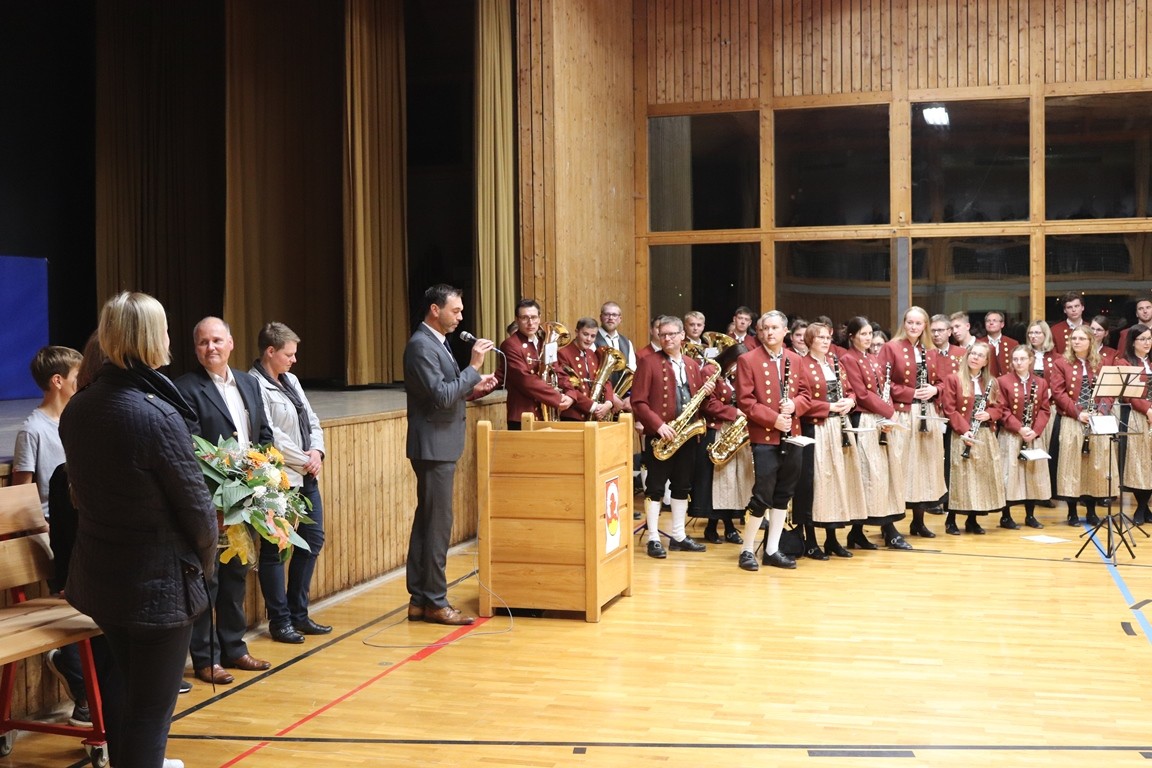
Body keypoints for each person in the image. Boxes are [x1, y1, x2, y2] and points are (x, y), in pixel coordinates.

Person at [60, 291, 217, 768]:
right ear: (150, 338)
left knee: (127, 706)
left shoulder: (79, 407)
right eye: (165, 329)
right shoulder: (156, 415)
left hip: (103, 579)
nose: (170, 337)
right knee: (150, 716)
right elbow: (198, 513)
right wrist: (205, 564)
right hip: (157, 587)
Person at [176, 317, 273, 685]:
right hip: (211, 504)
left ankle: (234, 647)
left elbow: (263, 434)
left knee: (235, 577)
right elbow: (192, 447)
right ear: (196, 348)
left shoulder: (249, 383)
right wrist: (219, 490)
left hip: (246, 499)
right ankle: (206, 659)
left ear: (231, 343)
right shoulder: (186, 388)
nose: (211, 347)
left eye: (217, 340)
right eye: (203, 342)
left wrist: (262, 475)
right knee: (208, 581)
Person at [403, 284, 497, 625]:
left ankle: (420, 600)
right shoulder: (421, 345)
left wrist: (472, 386)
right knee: (437, 526)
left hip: (440, 444)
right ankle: (435, 601)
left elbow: (444, 393)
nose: (460, 317)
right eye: (455, 311)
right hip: (433, 447)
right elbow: (441, 396)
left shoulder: (437, 342)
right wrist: (472, 368)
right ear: (435, 310)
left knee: (429, 522)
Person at [10, 345, 89, 725]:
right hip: (52, 531)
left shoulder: (77, 421)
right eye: (76, 377)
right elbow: (21, 493)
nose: (82, 382)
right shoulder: (33, 430)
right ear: (58, 381)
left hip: (79, 525)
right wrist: (46, 526)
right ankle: (79, 684)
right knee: (73, 604)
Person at [249, 322, 331, 644]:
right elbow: (272, 435)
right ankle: (280, 621)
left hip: (306, 473)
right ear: (270, 352)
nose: (294, 360)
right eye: (289, 354)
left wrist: (317, 452)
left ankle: (299, 614)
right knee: (275, 549)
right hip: (278, 478)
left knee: (313, 539)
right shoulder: (255, 384)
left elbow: (312, 421)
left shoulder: (292, 380)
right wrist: (304, 459)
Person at [631, 315, 723, 558]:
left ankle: (679, 536)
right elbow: (638, 401)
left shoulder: (692, 364)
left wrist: (706, 392)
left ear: (682, 335)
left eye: (672, 334)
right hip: (661, 436)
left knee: (682, 486)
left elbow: (697, 402)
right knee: (655, 488)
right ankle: (653, 538)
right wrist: (658, 425)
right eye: (663, 335)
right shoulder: (648, 362)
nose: (667, 339)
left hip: (687, 436)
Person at [734, 311, 805, 572]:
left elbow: (806, 393)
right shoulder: (747, 360)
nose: (769, 332)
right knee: (762, 494)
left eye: (775, 328)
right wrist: (774, 419)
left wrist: (794, 405)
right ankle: (747, 549)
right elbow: (746, 401)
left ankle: (772, 549)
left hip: (792, 436)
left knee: (784, 494)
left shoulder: (795, 359)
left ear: (785, 331)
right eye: (765, 328)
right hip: (765, 436)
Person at [790, 322, 867, 559]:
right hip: (817, 429)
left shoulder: (835, 362)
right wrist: (829, 407)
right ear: (809, 340)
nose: (825, 341)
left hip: (839, 428)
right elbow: (800, 401)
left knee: (837, 483)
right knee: (815, 484)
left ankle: (832, 539)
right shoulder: (801, 364)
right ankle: (811, 541)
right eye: (820, 337)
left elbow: (850, 390)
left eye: (827, 337)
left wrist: (850, 401)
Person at [840, 317, 910, 550]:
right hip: (865, 420)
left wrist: (888, 414)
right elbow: (861, 394)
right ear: (852, 336)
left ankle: (860, 533)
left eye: (870, 333)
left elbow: (883, 390)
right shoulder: (848, 359)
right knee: (870, 476)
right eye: (863, 334)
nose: (868, 338)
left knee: (885, 475)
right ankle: (882, 530)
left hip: (880, 419)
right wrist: (890, 412)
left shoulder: (871, 357)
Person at [880, 306, 947, 539]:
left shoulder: (931, 350)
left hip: (928, 414)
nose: (914, 327)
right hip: (903, 414)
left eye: (918, 323)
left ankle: (918, 522)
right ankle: (889, 524)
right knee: (900, 467)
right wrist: (911, 393)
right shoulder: (891, 347)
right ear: (904, 323)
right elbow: (884, 383)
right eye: (910, 322)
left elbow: (943, 382)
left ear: (925, 326)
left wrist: (934, 390)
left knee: (924, 468)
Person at [1049, 326, 1116, 526]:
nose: (1076, 342)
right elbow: (1058, 393)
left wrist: (1101, 411)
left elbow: (1109, 390)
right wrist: (1078, 413)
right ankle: (1072, 511)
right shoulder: (1061, 363)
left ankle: (1092, 510)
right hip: (1072, 419)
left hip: (1096, 420)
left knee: (1094, 466)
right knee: (1072, 465)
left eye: (1081, 338)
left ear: (1090, 341)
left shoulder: (1102, 363)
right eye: (1074, 338)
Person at [939, 343, 1005, 535]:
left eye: (980, 355)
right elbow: (949, 409)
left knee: (979, 477)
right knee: (959, 477)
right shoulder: (954, 379)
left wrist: (989, 414)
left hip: (984, 433)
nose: (975, 357)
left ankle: (972, 520)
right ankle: (951, 520)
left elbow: (999, 407)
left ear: (986, 361)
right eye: (972, 354)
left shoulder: (992, 382)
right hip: (961, 433)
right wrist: (965, 430)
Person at [688, 342, 749, 545]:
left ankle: (725, 527)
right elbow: (707, 403)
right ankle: (716, 527)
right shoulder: (710, 371)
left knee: (732, 482)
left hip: (734, 430)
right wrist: (734, 412)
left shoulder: (737, 375)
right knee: (717, 482)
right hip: (716, 430)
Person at [996, 344, 1052, 529]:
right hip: (1011, 435)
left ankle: (1030, 515)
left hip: (1032, 436)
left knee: (1032, 474)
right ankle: (1006, 517)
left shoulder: (1040, 382)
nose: (1018, 362)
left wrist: (1035, 430)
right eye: (1015, 359)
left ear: (1030, 360)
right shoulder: (1002, 381)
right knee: (1009, 474)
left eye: (1022, 359)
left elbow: (1044, 409)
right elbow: (1002, 409)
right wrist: (1019, 428)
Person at [496, 299, 572, 429]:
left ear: (539, 318)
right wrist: (557, 398)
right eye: (524, 318)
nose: (530, 322)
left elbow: (556, 370)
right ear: (517, 320)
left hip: (547, 414)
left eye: (534, 317)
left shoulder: (545, 342)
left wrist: (570, 394)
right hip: (523, 416)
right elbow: (526, 380)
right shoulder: (510, 345)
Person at [554, 317, 621, 421]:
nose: (589, 339)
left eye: (593, 336)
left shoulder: (592, 354)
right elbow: (568, 386)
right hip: (573, 416)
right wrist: (593, 406)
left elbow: (604, 380)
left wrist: (608, 403)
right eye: (585, 334)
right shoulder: (563, 354)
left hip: (594, 415)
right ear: (577, 332)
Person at [1119, 324, 1152, 524]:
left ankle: (1145, 507)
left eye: (1149, 338)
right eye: (1142, 339)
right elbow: (1129, 395)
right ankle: (1141, 507)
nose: (1147, 343)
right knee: (1140, 462)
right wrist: (1148, 409)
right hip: (1138, 415)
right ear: (1132, 342)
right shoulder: (1125, 363)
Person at [594, 301, 637, 398]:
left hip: (623, 397)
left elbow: (632, 371)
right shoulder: (592, 339)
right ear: (600, 317)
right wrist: (610, 397)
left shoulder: (627, 342)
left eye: (614, 315)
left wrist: (628, 398)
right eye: (607, 314)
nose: (610, 318)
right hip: (600, 397)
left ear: (620, 319)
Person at [978, 310, 1018, 378]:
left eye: (994, 321)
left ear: (1002, 324)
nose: (991, 323)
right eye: (988, 321)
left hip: (1007, 381)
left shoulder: (1012, 344)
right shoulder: (978, 343)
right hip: (985, 381)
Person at [1050, 291, 1086, 355]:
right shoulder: (1055, 330)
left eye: (1076, 306)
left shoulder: (1091, 328)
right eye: (1069, 307)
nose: (1073, 310)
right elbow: (1053, 355)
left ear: (1082, 307)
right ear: (1064, 310)